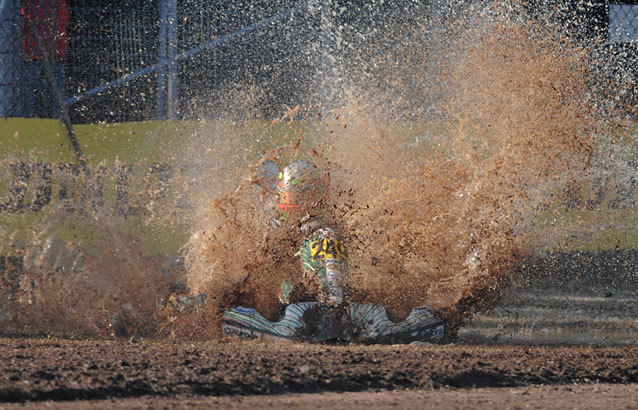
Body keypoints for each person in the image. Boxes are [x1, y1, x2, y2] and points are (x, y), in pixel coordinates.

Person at [223, 159, 449, 344]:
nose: (303, 204)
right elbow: (253, 274)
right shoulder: (275, 230)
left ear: (321, 197)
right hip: (290, 299)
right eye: (296, 197)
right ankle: (317, 312)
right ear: (283, 198)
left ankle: (339, 306)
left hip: (345, 295)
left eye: (309, 197)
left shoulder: (339, 225)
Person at [18, 0, 69, 118]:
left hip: (54, 55)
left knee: (55, 104)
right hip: (32, 56)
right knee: (27, 103)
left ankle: (54, 123)